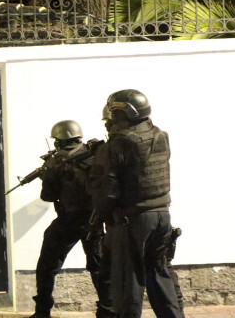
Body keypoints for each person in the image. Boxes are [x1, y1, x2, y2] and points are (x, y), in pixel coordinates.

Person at [89, 89, 183, 318]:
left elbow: (107, 193)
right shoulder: (161, 135)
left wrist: (99, 217)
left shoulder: (115, 145)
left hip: (132, 220)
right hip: (162, 215)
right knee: (160, 276)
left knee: (127, 284)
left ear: (121, 113)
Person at [30, 120, 111, 318]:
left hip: (68, 221)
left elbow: (47, 196)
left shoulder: (55, 161)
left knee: (47, 266)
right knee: (99, 267)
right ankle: (108, 311)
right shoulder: (95, 154)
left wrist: (47, 176)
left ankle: (42, 312)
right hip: (95, 220)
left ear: (58, 141)